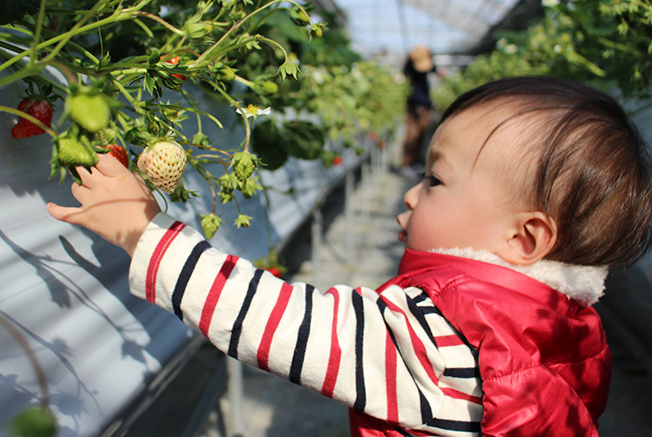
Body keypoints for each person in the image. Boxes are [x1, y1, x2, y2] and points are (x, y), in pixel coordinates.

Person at [47, 76, 652, 436]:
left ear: (524, 240)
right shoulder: (567, 327)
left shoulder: (439, 340)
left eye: (435, 181)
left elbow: (275, 318)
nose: (412, 192)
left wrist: (140, 228)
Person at [401, 45, 438, 178]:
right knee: (413, 135)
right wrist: (423, 104)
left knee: (419, 135)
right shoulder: (412, 71)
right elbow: (415, 91)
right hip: (417, 106)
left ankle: (414, 163)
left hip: (422, 105)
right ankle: (407, 164)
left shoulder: (416, 69)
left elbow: (433, 68)